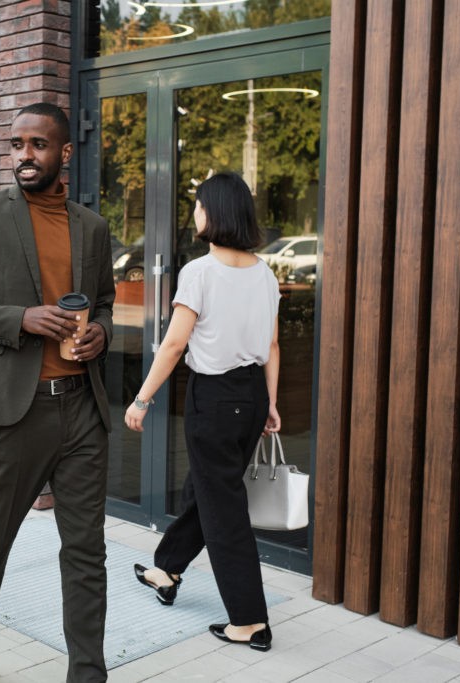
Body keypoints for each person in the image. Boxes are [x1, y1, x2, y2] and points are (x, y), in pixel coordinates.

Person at [0, 102, 116, 683]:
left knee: (86, 550)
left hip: (83, 407)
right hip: (14, 410)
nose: (24, 156)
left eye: (37, 145)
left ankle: (88, 673)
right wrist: (20, 320)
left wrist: (101, 335)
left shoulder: (92, 226)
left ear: (64, 152)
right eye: (16, 145)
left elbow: (104, 300)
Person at [125, 172, 280, 651]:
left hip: (213, 399)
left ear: (215, 213)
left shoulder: (200, 272)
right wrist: (271, 403)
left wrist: (142, 398)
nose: (194, 213)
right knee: (209, 487)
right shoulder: (266, 272)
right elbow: (272, 344)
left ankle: (249, 620)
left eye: (197, 205)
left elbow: (174, 345)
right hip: (251, 395)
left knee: (224, 508)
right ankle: (166, 569)